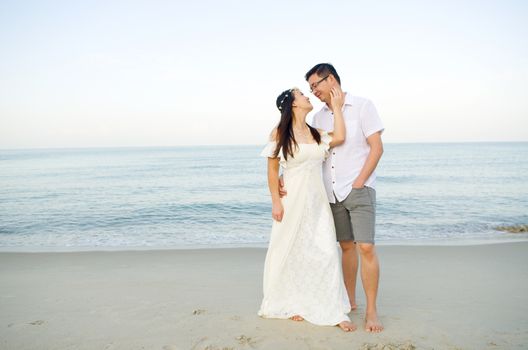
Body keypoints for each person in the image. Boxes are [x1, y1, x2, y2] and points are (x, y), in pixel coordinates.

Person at [258, 86, 356, 332]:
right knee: (290, 250)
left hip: (317, 202)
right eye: (301, 94)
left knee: (325, 251)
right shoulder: (279, 133)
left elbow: (341, 137)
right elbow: (272, 171)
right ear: (292, 104)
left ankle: (334, 310)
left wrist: (336, 108)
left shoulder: (315, 133)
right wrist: (275, 201)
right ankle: (292, 303)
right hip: (292, 200)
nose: (307, 96)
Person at [300, 63, 385, 332]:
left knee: (366, 247)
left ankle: (371, 310)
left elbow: (376, 148)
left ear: (332, 79)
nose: (313, 91)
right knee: (346, 246)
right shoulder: (318, 118)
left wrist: (360, 181)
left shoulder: (363, 105)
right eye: (310, 88)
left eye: (316, 85)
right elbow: (316, 155)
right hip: (331, 192)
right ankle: (350, 301)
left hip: (358, 188)